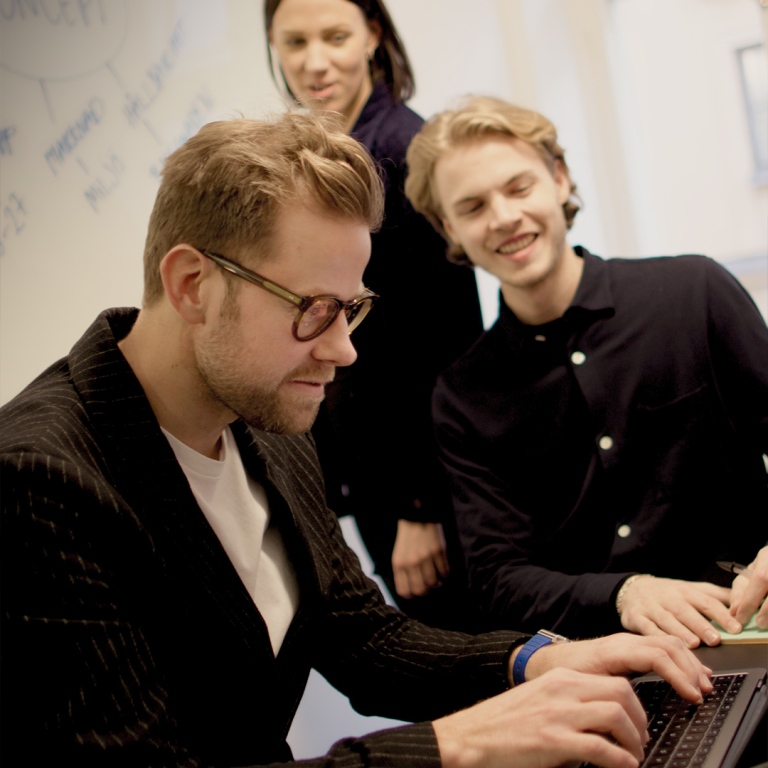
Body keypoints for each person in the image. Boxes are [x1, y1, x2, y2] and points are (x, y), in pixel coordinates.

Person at [0, 111, 712, 767]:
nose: (343, 350)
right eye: (314, 310)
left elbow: (360, 635)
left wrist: (531, 661)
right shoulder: (38, 483)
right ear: (192, 284)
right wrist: (454, 745)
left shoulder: (264, 418)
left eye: (353, 310)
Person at [404, 95, 768, 647]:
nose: (503, 217)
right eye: (473, 207)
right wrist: (624, 593)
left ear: (559, 179)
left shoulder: (694, 292)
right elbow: (497, 579)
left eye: (519, 187)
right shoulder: (462, 395)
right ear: (447, 227)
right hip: (613, 669)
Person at [264, 0, 484, 628]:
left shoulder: (399, 153)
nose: (314, 62)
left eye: (335, 37)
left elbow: (448, 346)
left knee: (470, 667)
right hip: (375, 476)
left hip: (422, 491)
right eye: (295, 41)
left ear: (373, 35)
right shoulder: (338, 152)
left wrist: (421, 507)